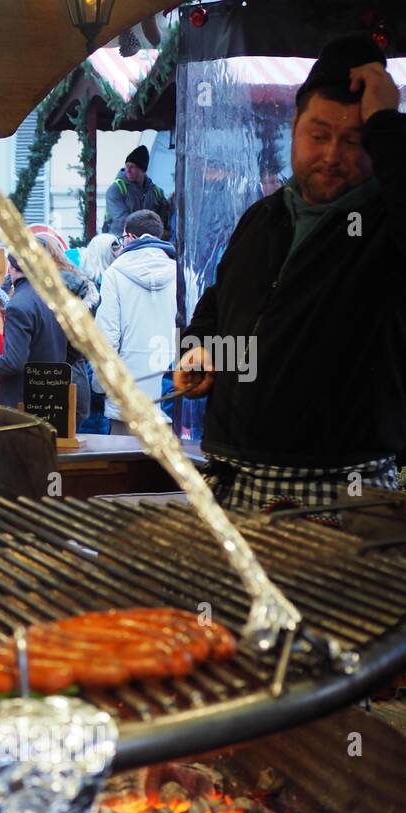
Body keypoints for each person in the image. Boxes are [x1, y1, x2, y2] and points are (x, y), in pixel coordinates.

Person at [175, 33, 406, 510]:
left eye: (354, 141)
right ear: (294, 124)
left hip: (343, 489)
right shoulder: (264, 218)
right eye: (318, 135)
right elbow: (224, 305)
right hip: (233, 477)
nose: (331, 155)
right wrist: (201, 351)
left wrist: (387, 122)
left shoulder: (385, 225)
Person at [94, 210, 177, 436]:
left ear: (130, 237)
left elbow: (106, 338)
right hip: (168, 396)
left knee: (122, 468)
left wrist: (100, 386)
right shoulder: (178, 272)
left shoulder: (115, 273)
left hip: (126, 399)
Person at [0, 241, 86, 414]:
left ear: (12, 269)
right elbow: (76, 350)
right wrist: (51, 374)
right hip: (52, 401)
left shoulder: (18, 306)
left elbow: (13, 363)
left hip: (22, 408)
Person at [103, 145, 170, 238]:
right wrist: (149, 231)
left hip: (148, 243)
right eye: (126, 166)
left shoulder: (157, 193)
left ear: (142, 170)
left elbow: (162, 222)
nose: (128, 170)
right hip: (121, 242)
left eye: (132, 167)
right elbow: (123, 220)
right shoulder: (116, 189)